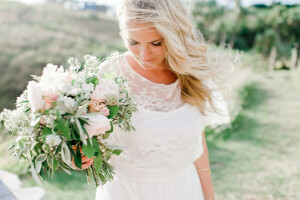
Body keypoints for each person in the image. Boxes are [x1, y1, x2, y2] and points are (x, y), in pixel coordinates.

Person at [76, 0, 231, 199]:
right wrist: (78, 155)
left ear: (175, 35)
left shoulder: (191, 74)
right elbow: (87, 139)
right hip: (126, 192)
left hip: (184, 189)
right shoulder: (109, 77)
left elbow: (195, 143)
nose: (144, 55)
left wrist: (209, 195)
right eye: (133, 42)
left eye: (156, 43)